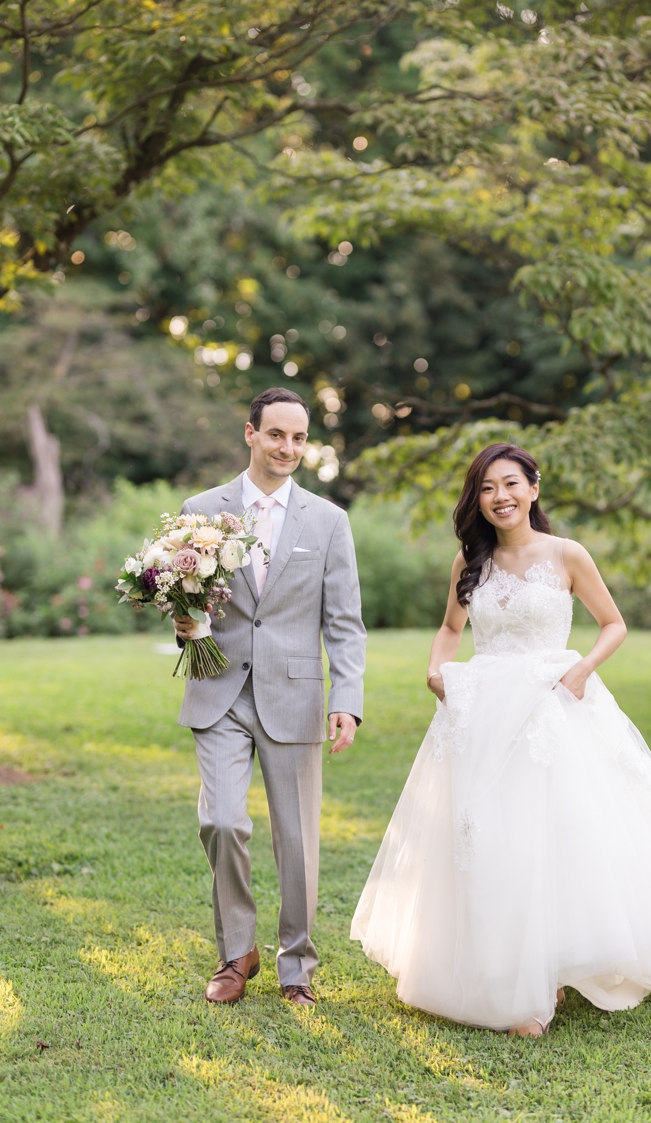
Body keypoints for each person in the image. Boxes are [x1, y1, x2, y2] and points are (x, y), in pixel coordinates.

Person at [350, 442, 651, 1035]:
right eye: (486, 488)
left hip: (551, 704)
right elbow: (450, 628)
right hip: (481, 708)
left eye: (510, 484)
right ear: (476, 500)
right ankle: (513, 976)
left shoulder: (566, 554)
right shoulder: (469, 563)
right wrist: (437, 671)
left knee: (554, 834)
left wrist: (581, 670)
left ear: (533, 488)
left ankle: (549, 973)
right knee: (488, 835)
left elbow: (614, 623)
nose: (500, 497)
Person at [176, 386, 366, 1006]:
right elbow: (185, 597)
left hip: (296, 696)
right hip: (219, 689)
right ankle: (237, 953)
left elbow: (343, 622)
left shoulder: (329, 521)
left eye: (300, 438)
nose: (288, 448)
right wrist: (182, 624)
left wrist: (347, 696)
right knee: (222, 820)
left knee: (297, 841)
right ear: (251, 433)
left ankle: (297, 968)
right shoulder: (200, 509)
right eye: (277, 434)